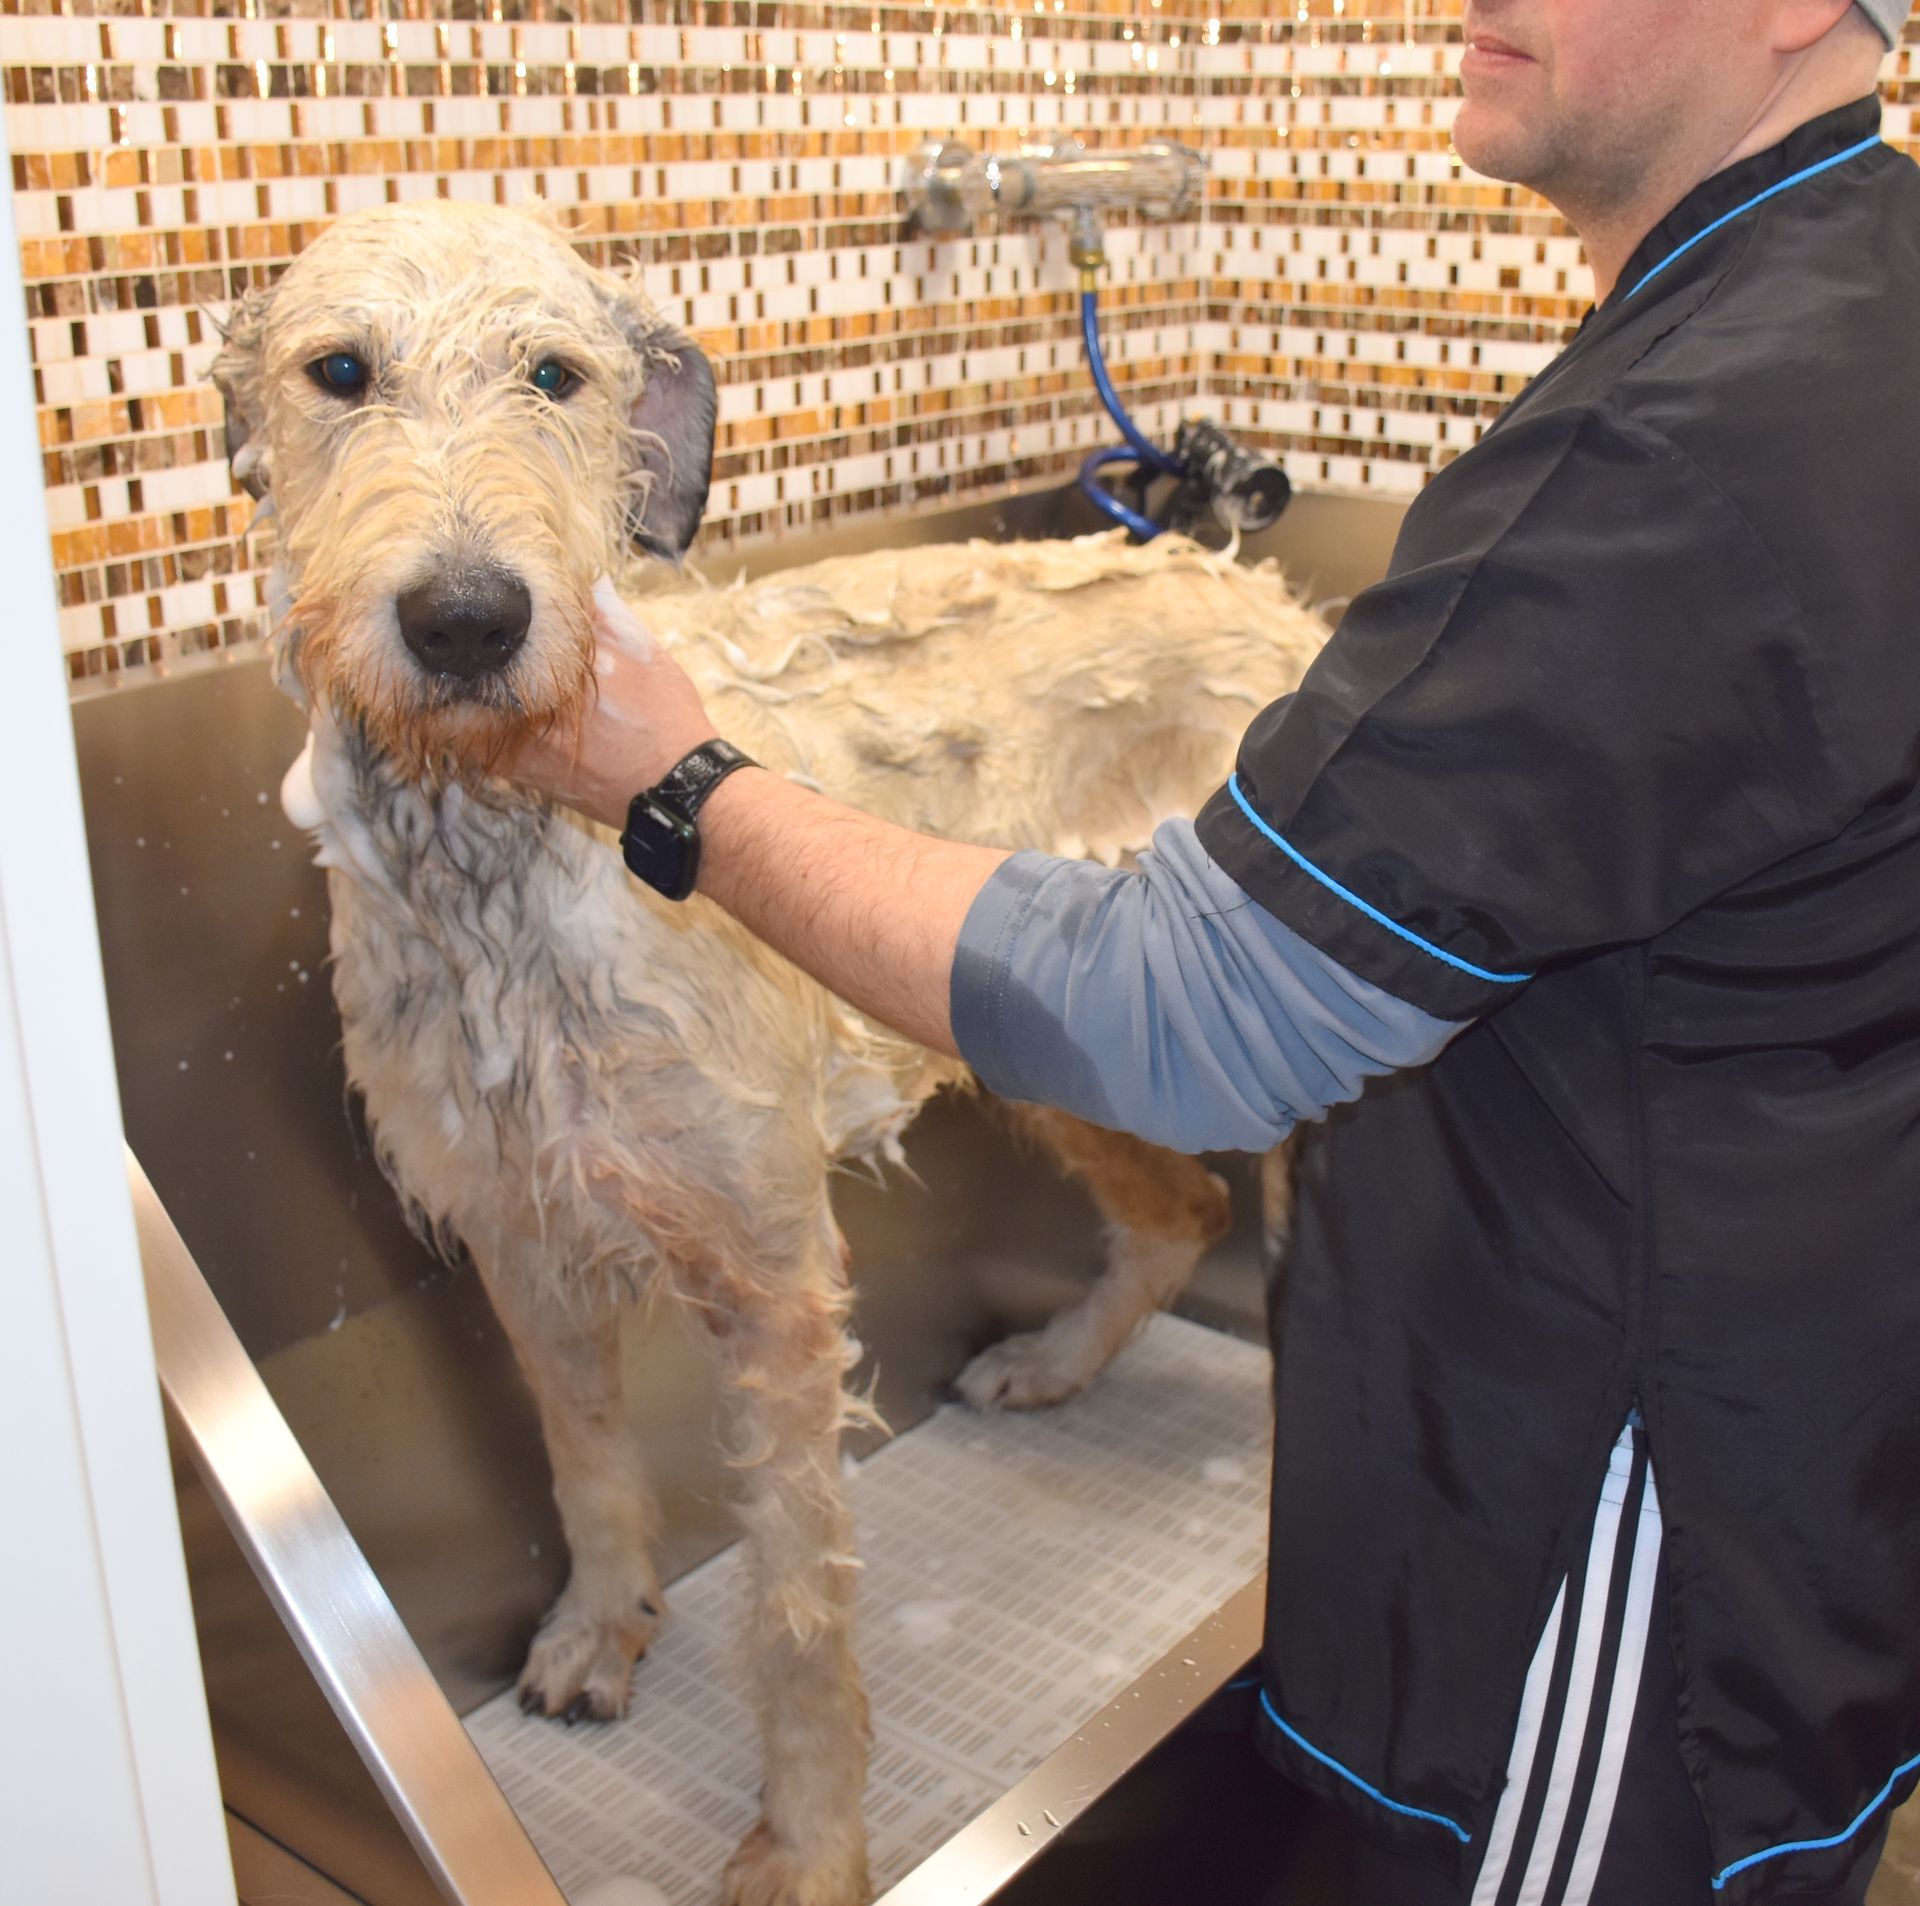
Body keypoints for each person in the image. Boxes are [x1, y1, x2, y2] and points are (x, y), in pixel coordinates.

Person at [511, 3, 1920, 1900]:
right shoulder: (1852, 289)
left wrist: (678, 783)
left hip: (1627, 1534)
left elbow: (1188, 1009)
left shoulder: (1692, 437)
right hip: (1808, 1397)